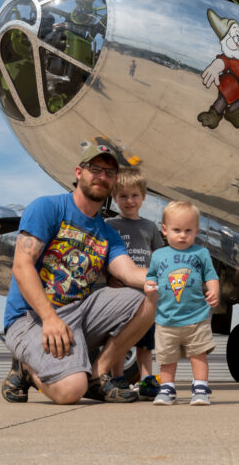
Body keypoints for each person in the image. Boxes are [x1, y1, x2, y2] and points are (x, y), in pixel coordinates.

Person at [0, 144, 157, 404]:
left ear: (114, 180)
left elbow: (129, 273)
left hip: (77, 314)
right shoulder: (47, 208)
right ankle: (27, 367)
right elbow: (21, 266)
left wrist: (173, 275)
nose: (101, 176)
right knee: (71, 391)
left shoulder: (108, 233)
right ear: (78, 172)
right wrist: (49, 318)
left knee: (151, 294)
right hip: (32, 318)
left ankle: (98, 373)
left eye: (109, 172)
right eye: (94, 168)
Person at [145, 201, 219, 405]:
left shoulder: (200, 253)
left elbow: (211, 275)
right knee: (167, 359)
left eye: (189, 230)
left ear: (197, 230)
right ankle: (167, 389)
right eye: (177, 230)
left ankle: (201, 388)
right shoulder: (159, 255)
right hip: (166, 319)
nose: (183, 235)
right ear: (164, 229)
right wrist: (149, 285)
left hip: (196, 318)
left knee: (199, 355)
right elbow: (150, 276)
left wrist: (214, 291)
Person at [105, 167, 164, 399]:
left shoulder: (149, 227)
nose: (129, 201)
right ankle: (117, 377)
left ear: (143, 196)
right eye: (123, 196)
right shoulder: (110, 225)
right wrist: (110, 278)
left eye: (134, 195)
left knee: (146, 341)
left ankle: (147, 379)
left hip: (146, 294)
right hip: (120, 293)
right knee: (120, 338)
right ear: (114, 198)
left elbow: (159, 256)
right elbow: (103, 257)